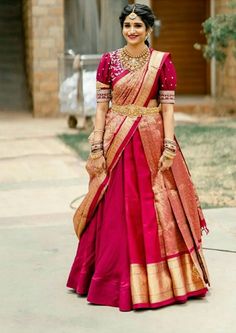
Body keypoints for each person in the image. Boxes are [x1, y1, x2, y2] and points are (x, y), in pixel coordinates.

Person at [66, 3, 210, 312]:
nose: (132, 31)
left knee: (154, 206)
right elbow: (102, 108)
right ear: (122, 28)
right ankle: (106, 278)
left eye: (138, 26)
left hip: (151, 141)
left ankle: (162, 282)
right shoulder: (109, 62)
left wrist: (169, 146)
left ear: (148, 29)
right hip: (117, 141)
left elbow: (168, 108)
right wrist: (97, 146)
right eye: (128, 25)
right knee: (114, 208)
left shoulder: (162, 63)